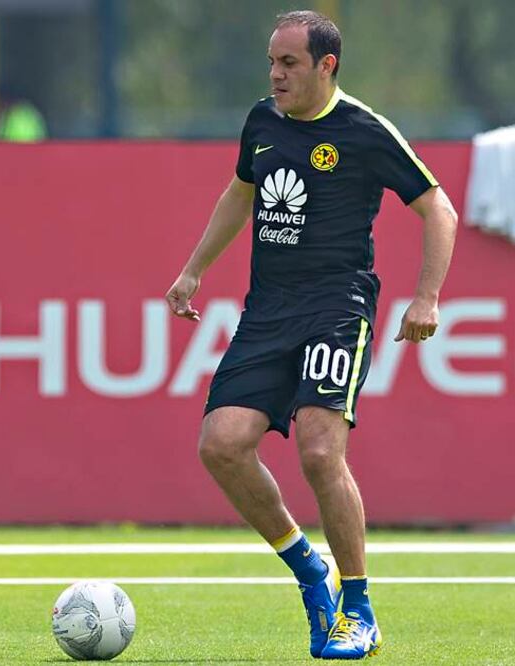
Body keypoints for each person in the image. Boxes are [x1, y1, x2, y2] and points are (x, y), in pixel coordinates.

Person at [165, 10, 457, 660]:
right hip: (267, 309)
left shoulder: (361, 129)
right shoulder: (261, 122)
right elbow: (240, 193)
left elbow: (437, 206)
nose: (275, 74)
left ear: (326, 66)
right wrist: (192, 270)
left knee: (320, 452)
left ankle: (358, 608)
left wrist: (425, 296)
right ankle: (308, 570)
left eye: (289, 63)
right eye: (271, 61)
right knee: (221, 444)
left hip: (336, 306)